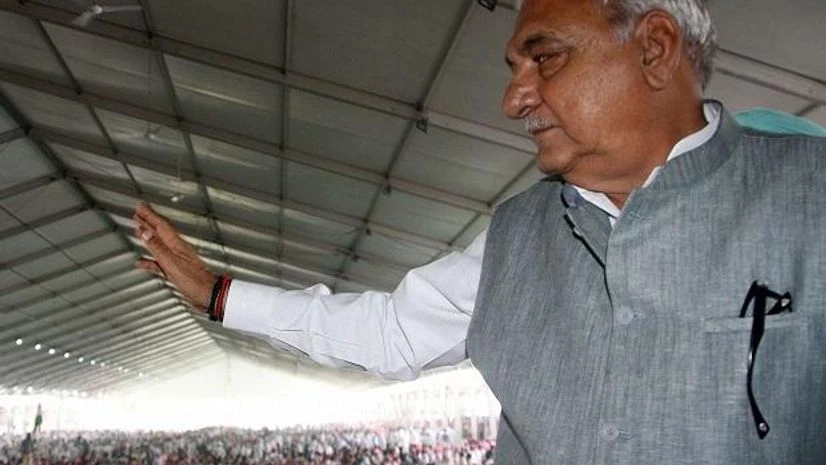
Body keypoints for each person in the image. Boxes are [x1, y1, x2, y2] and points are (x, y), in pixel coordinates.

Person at [134, 0, 826, 463]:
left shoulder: (809, 197)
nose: (514, 98)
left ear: (654, 49)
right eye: (515, 69)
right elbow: (391, 332)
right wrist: (219, 294)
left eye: (544, 58)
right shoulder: (517, 235)